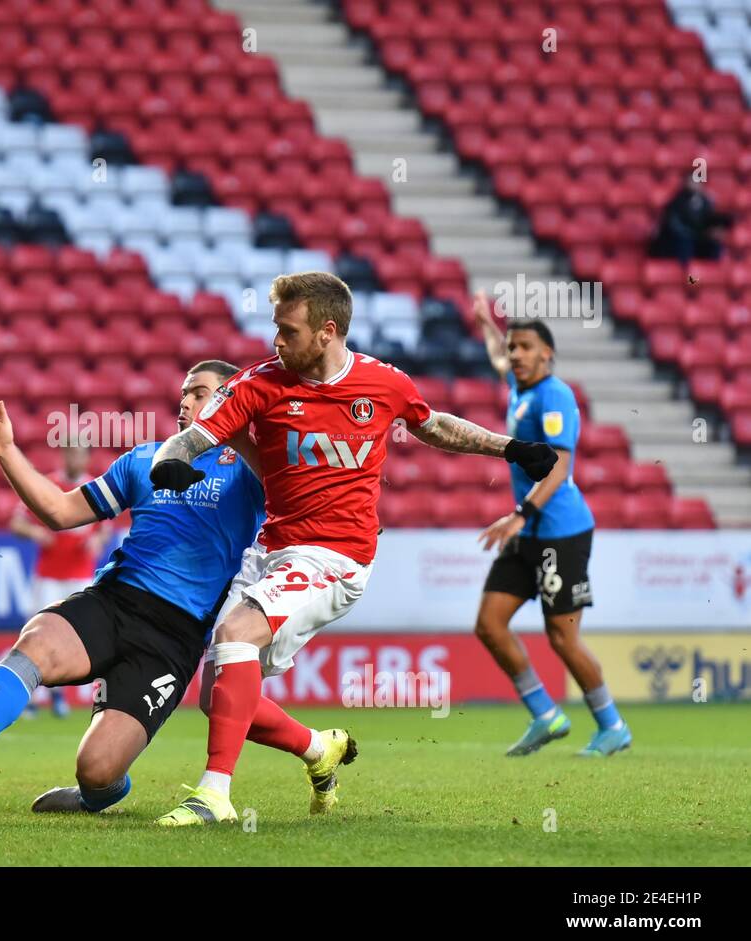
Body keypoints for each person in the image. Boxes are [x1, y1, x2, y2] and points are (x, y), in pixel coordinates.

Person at [147, 271, 558, 826]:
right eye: (275, 328)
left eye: (288, 330)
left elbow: (432, 425)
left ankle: (214, 794)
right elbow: (194, 435)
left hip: (336, 557)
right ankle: (320, 749)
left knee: (234, 635)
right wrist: (168, 460)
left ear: (327, 332)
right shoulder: (257, 383)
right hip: (272, 551)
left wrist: (510, 448)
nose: (277, 341)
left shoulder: (381, 383)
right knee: (218, 692)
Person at [0, 363, 349, 816]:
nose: (185, 402)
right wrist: (7, 452)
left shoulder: (247, 472)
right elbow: (60, 513)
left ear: (229, 400)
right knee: (37, 641)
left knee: (97, 769)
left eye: (200, 393)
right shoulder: (144, 459)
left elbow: (303, 494)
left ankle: (97, 794)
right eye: (184, 393)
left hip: (174, 639)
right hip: (115, 600)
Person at [472, 290, 631, 757]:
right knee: (489, 624)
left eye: (523, 348)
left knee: (562, 636)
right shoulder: (521, 387)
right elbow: (499, 358)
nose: (513, 355)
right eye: (511, 347)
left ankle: (612, 725)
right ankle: (546, 714)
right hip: (530, 532)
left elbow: (559, 466)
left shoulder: (555, 396)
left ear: (548, 354)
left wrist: (521, 514)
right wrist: (487, 325)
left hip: (559, 531)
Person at [7, 442, 107, 718]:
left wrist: (97, 541)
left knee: (86, 637)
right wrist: (35, 533)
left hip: (81, 576)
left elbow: (104, 529)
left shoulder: (96, 487)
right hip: (49, 575)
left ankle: (92, 696)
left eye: (80, 453)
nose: (75, 458)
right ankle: (37, 698)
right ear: (64, 455)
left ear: (87, 457)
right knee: (36, 635)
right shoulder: (48, 485)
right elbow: (16, 523)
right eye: (71, 452)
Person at [650, 177, 732, 265]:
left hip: (699, 239)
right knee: (684, 241)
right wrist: (692, 232)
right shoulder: (677, 201)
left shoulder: (706, 202)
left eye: (697, 182)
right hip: (679, 240)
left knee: (715, 242)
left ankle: (712, 271)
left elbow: (709, 220)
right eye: (692, 181)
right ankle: (684, 271)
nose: (694, 185)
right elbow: (673, 223)